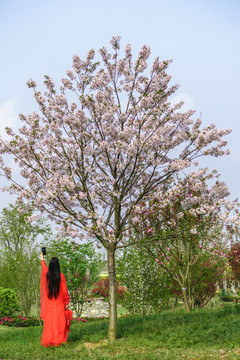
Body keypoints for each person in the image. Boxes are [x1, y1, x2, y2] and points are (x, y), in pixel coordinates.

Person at [40, 253, 70, 347]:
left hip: (49, 303)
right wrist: (66, 302)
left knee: (50, 322)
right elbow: (65, 291)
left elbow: (44, 269)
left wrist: (42, 259)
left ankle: (50, 340)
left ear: (50, 266)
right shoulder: (61, 276)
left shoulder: (47, 275)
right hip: (59, 302)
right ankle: (59, 340)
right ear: (58, 266)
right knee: (60, 322)